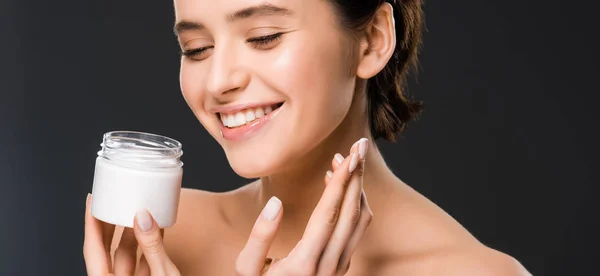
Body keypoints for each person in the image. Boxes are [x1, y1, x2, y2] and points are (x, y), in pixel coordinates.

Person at [83, 0, 531, 275]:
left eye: (264, 36)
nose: (218, 80)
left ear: (373, 40)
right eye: (196, 48)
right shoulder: (161, 241)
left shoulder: (476, 273)